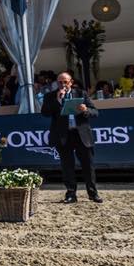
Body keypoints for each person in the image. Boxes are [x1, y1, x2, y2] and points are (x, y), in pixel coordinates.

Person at [41, 71, 102, 204]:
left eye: (65, 82)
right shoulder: (51, 96)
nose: (63, 85)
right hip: (64, 135)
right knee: (67, 166)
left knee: (88, 165)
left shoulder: (81, 93)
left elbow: (95, 112)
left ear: (71, 82)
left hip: (81, 135)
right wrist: (58, 100)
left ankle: (93, 193)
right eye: (60, 82)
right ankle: (71, 194)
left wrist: (85, 110)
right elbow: (44, 113)